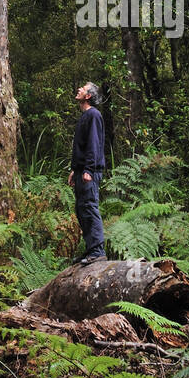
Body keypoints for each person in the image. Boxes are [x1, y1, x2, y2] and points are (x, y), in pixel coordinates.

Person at [68, 82, 107, 263]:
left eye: (82, 88)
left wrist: (89, 169)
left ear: (88, 96)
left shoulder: (93, 115)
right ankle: (90, 249)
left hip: (89, 172)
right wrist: (75, 170)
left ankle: (97, 251)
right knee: (82, 210)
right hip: (81, 171)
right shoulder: (85, 116)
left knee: (90, 208)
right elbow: (81, 147)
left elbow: (94, 144)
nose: (79, 89)